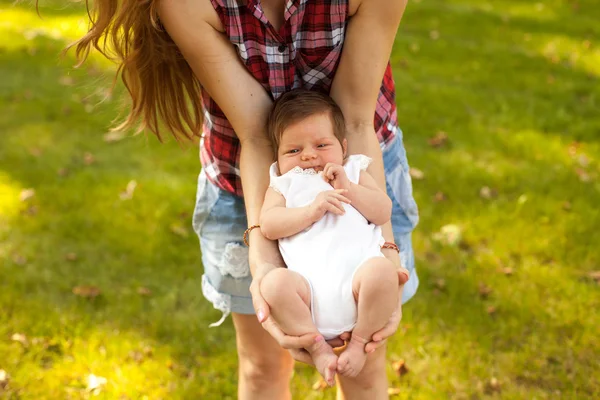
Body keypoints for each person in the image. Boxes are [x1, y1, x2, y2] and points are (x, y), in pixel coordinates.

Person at [64, 0, 419, 398]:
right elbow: (255, 132)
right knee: (262, 364)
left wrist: (384, 247)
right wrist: (264, 262)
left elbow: (355, 117)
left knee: (364, 366)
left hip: (361, 172)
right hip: (245, 184)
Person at [259, 89, 410, 386]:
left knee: (383, 271)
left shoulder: (353, 171)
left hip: (360, 287)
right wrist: (309, 212)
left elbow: (382, 211)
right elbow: (269, 224)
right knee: (273, 283)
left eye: (321, 145)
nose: (308, 155)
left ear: (343, 147)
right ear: (277, 157)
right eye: (293, 150)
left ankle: (359, 343)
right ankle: (318, 348)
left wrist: (351, 191)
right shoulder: (283, 184)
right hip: (307, 298)